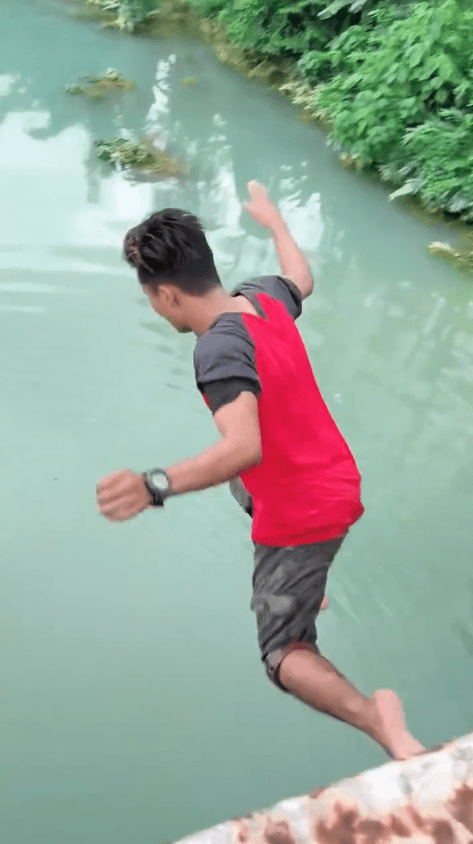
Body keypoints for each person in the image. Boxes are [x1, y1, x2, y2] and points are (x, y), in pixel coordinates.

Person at [96, 181, 424, 760]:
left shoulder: (216, 350)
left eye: (151, 296)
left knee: (282, 654)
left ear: (168, 295)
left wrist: (155, 485)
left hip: (307, 513)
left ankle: (382, 723)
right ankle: (305, 585)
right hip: (337, 476)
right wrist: (274, 222)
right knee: (236, 482)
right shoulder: (264, 298)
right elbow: (303, 276)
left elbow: (244, 445)